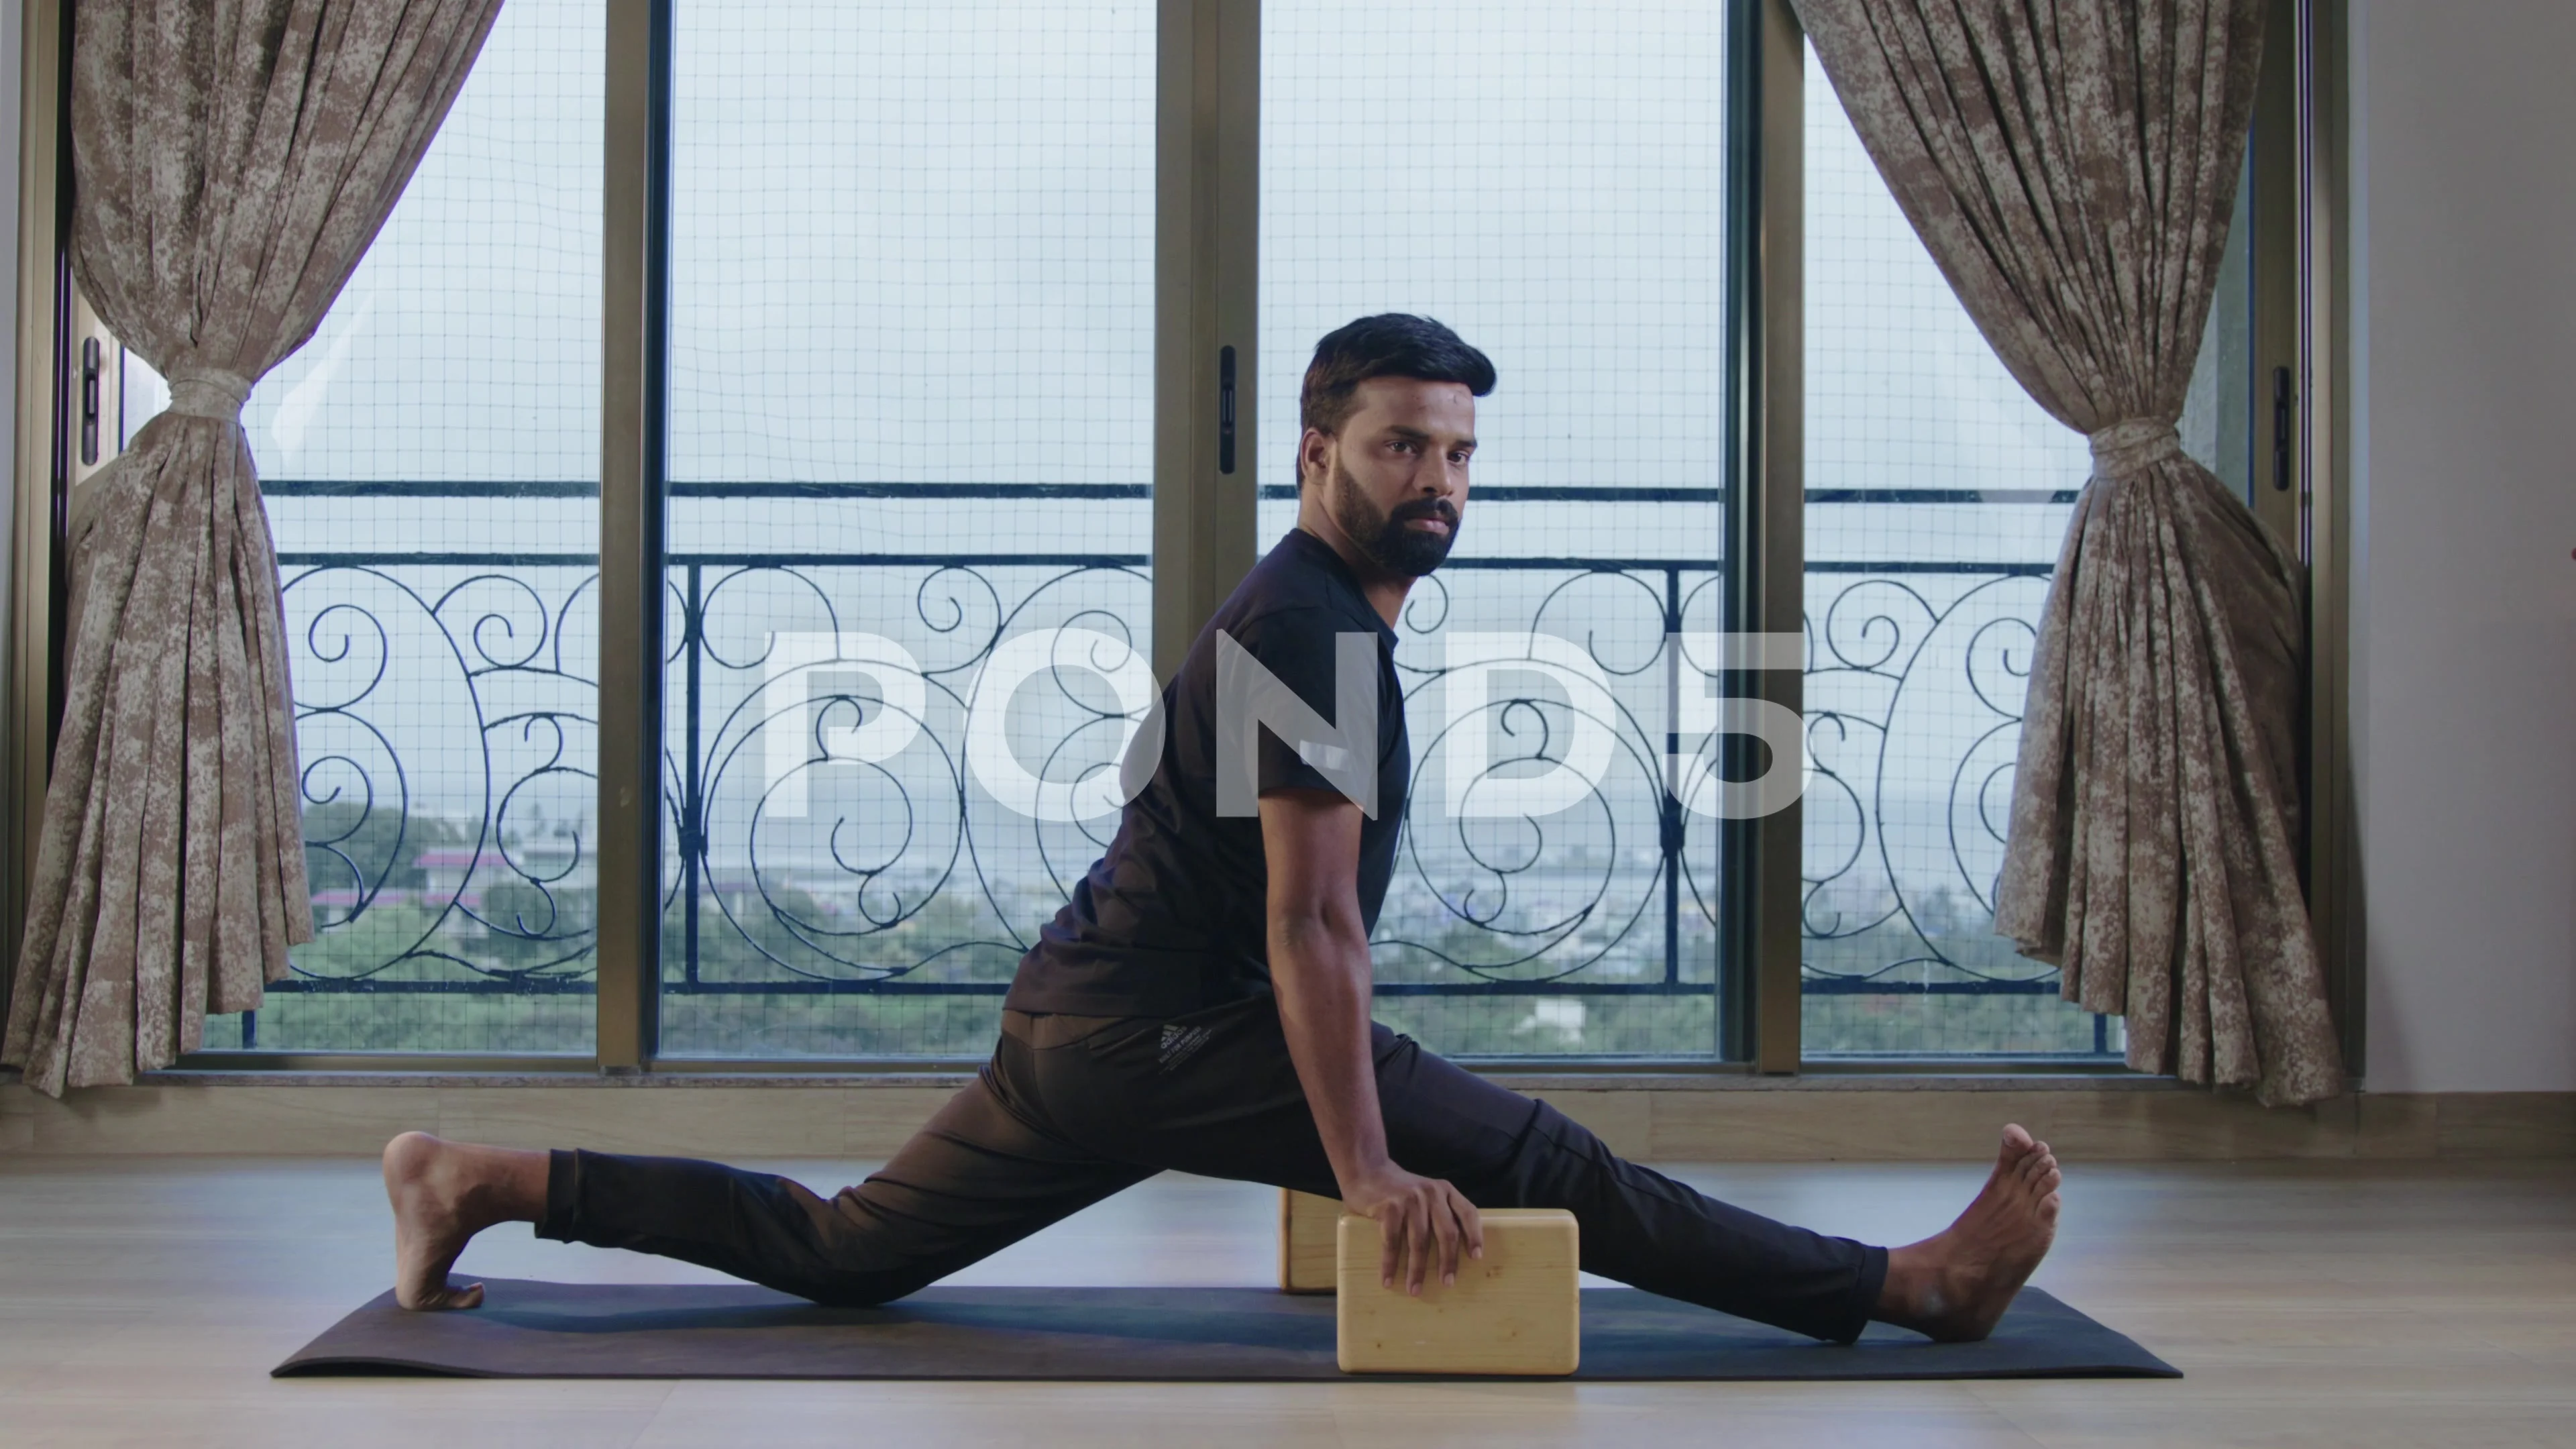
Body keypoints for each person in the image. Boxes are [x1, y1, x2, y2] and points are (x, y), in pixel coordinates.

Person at [382, 314, 2060, 1344]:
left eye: (1462, 452)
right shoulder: (1315, 625)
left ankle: (484, 1178)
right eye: (1404, 444)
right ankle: (1906, 1289)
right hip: (1172, 1032)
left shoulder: (1316, 606)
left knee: (850, 1254)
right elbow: (1310, 924)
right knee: (1548, 1164)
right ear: (1319, 450)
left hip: (1077, 1023)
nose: (1442, 480)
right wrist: (1367, 1167)